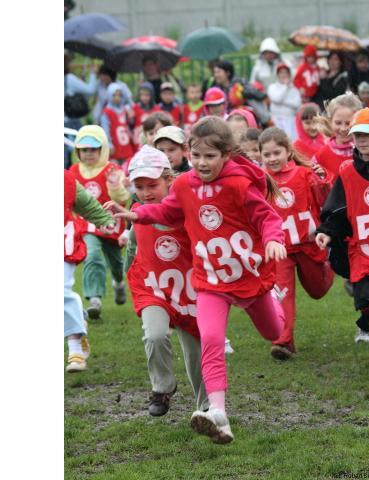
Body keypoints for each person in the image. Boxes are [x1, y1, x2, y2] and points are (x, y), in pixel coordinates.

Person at [108, 116, 287, 444]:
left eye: (210, 156)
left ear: (226, 155)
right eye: (196, 155)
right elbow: (166, 211)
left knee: (274, 332)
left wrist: (273, 239)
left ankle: (274, 299)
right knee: (212, 340)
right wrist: (137, 214)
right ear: (188, 154)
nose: (202, 163)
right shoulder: (184, 186)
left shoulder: (239, 184)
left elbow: (266, 217)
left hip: (247, 276)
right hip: (210, 282)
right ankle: (217, 413)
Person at [123, 145, 209, 416]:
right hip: (153, 288)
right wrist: (128, 272)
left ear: (169, 180)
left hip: (189, 289)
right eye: (139, 187)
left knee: (197, 351)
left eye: (152, 185)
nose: (146, 193)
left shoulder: (187, 208)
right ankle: (162, 387)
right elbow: (133, 245)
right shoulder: (137, 212)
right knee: (155, 335)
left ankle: (207, 406)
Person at [259, 127, 334, 359]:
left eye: (277, 153)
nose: (272, 158)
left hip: (308, 245)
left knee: (317, 290)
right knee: (283, 293)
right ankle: (283, 342)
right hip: (280, 248)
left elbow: (325, 200)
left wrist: (323, 181)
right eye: (267, 154)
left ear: (288, 152)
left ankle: (330, 266)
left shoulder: (304, 173)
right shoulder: (260, 181)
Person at [315, 108, 369, 343]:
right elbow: (337, 210)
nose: (361, 140)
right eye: (357, 135)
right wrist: (326, 232)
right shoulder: (348, 171)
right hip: (364, 253)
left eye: (367, 134)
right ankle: (367, 325)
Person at [69, 125, 131, 319]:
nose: (88, 153)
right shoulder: (73, 171)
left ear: (102, 149)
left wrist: (116, 186)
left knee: (116, 262)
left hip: (111, 224)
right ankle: (94, 298)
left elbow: (123, 197)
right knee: (93, 255)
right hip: (88, 224)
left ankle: (118, 282)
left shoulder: (112, 170)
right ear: (77, 151)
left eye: (93, 149)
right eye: (84, 149)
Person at [64, 169, 117, 372]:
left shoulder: (65, 179)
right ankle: (79, 317)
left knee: (61, 291)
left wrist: (104, 220)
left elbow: (86, 203)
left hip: (63, 242)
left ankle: (75, 350)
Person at [311, 93, 362, 185]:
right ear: (330, 121)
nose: (343, 128)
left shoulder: (365, 150)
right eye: (338, 123)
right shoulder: (321, 156)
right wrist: (322, 178)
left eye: (348, 123)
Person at [64, 52, 98, 169]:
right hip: (70, 123)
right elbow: (90, 90)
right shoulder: (68, 78)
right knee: (79, 156)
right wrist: (93, 74)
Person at [100, 82, 136, 168]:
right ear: (109, 95)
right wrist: (109, 144)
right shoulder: (106, 112)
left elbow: (129, 124)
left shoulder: (124, 109)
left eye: (119, 95)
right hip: (115, 145)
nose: (117, 98)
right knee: (114, 168)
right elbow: (105, 130)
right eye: (114, 95)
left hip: (126, 145)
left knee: (128, 167)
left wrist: (131, 117)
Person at [267, 63, 301, 140]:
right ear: (277, 75)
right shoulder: (272, 87)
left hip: (290, 120)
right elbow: (276, 99)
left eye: (286, 72)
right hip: (275, 120)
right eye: (281, 72)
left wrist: (281, 102)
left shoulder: (294, 89)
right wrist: (285, 86)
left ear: (289, 74)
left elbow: (297, 104)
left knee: (291, 141)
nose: (283, 74)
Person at [132, 82, 157, 148]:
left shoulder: (157, 108)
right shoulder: (135, 107)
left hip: (152, 139)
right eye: (142, 95)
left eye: (147, 95)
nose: (144, 97)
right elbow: (131, 125)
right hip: (138, 140)